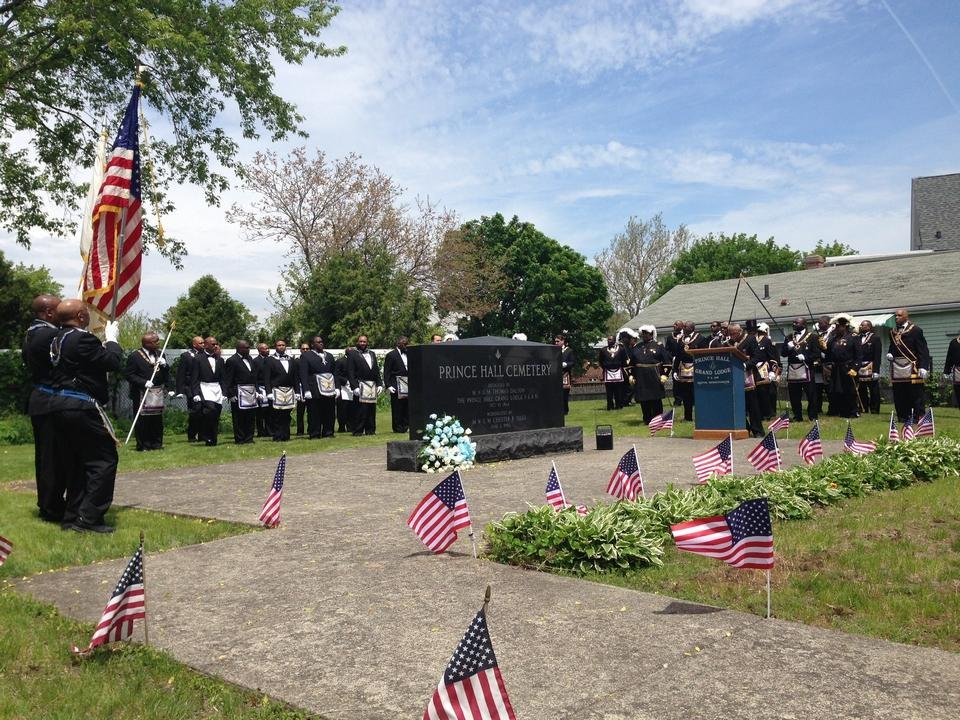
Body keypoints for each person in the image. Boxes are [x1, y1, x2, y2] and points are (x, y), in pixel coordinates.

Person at [48, 300, 122, 533]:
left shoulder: (57, 339)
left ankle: (72, 516)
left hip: (60, 404)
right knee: (103, 461)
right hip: (82, 405)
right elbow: (112, 362)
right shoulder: (82, 338)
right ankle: (90, 517)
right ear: (81, 316)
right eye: (86, 313)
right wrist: (111, 340)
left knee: (76, 463)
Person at [22, 293, 63, 522]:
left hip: (40, 399)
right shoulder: (49, 334)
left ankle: (49, 502)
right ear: (48, 313)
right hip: (49, 401)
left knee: (46, 457)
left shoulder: (31, 332)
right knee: (52, 457)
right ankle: (51, 506)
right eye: (59, 310)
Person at [125, 331, 169, 450]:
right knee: (143, 419)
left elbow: (166, 374)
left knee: (156, 418)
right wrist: (143, 382)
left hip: (157, 391)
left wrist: (165, 365)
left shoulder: (160, 354)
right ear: (147, 343)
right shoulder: (135, 356)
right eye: (156, 341)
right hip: (141, 392)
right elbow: (129, 374)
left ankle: (156, 443)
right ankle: (143, 444)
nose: (159, 343)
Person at [888, 308, 929, 422]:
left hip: (912, 366)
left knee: (915, 393)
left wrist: (923, 366)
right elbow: (893, 347)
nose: (896, 317)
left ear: (906, 316)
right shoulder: (892, 332)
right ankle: (902, 416)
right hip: (898, 367)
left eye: (899, 315)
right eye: (895, 316)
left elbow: (923, 350)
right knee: (899, 393)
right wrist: (890, 353)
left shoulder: (916, 330)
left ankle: (918, 417)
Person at [630, 326, 671, 424]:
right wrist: (631, 375)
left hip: (654, 375)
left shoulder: (658, 345)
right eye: (643, 333)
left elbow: (667, 362)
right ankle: (647, 419)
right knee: (644, 399)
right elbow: (631, 363)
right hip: (641, 376)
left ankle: (658, 419)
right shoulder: (637, 347)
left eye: (646, 333)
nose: (644, 335)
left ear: (651, 334)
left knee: (655, 399)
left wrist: (664, 375)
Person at [728, 322, 764, 437]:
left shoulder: (750, 339)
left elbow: (758, 356)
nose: (732, 336)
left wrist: (746, 365)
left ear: (740, 331)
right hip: (733, 375)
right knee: (738, 404)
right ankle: (744, 428)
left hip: (748, 375)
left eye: (734, 334)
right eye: (730, 334)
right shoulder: (729, 342)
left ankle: (757, 430)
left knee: (753, 405)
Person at [780, 317, 819, 421]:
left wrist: (806, 357)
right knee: (794, 395)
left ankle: (813, 416)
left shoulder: (812, 337)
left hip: (806, 367)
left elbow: (816, 354)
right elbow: (783, 354)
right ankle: (798, 416)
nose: (794, 324)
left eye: (796, 323)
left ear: (803, 324)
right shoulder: (788, 337)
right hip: (793, 368)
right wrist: (788, 347)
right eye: (793, 322)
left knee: (811, 394)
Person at [190, 336, 226, 446]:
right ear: (206, 345)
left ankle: (213, 438)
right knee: (209, 411)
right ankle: (207, 436)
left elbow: (223, 377)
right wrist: (195, 393)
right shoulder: (198, 358)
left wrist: (224, 392)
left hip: (217, 388)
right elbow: (194, 377)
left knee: (216, 413)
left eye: (216, 344)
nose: (215, 346)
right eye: (213, 344)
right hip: (204, 387)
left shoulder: (220, 359)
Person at [299, 335, 337, 438]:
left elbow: (335, 373)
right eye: (318, 342)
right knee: (315, 412)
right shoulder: (306, 356)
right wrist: (306, 390)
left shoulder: (329, 356)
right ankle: (315, 433)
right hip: (314, 388)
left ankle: (328, 432)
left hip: (329, 388)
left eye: (322, 341)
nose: (321, 343)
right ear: (312, 344)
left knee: (329, 411)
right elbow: (303, 374)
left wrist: (337, 388)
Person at [825, 314, 861, 418]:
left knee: (850, 391)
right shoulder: (833, 339)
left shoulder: (853, 337)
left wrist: (855, 368)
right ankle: (840, 410)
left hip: (848, 367)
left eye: (838, 327)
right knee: (837, 390)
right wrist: (824, 347)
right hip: (836, 368)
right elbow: (829, 355)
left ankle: (852, 411)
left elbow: (858, 355)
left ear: (844, 326)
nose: (836, 329)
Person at [347, 334, 383, 435]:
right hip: (360, 384)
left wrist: (379, 384)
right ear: (357, 342)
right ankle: (358, 431)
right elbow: (350, 372)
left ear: (367, 342)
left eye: (364, 341)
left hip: (371, 385)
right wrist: (354, 387)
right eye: (361, 341)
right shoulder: (352, 354)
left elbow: (376, 370)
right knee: (360, 410)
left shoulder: (372, 354)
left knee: (371, 409)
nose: (362, 343)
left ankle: (370, 430)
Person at [224, 340, 259, 444]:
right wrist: (230, 394)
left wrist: (256, 391)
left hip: (251, 391)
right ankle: (240, 438)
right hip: (238, 391)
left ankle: (249, 438)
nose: (248, 350)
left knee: (251, 416)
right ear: (239, 348)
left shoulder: (250, 359)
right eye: (246, 348)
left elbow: (254, 377)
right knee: (239, 417)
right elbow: (228, 379)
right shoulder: (232, 360)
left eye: (249, 348)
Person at [672, 321, 706, 422]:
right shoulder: (680, 339)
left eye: (686, 327)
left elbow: (703, 354)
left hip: (696, 367)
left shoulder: (700, 338)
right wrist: (674, 370)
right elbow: (677, 356)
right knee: (686, 394)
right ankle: (688, 417)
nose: (684, 328)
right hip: (683, 368)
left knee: (696, 393)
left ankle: (700, 416)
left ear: (692, 328)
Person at [264, 339, 297, 441]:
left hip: (289, 390)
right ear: (275, 347)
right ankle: (277, 436)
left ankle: (286, 435)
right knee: (277, 414)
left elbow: (295, 377)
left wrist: (298, 392)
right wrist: (268, 392)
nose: (281, 347)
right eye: (279, 345)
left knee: (287, 414)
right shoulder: (270, 360)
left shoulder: (291, 360)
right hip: (276, 390)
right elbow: (267, 378)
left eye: (283, 345)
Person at [175, 335, 203, 441]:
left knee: (203, 412)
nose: (203, 345)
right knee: (195, 412)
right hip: (191, 388)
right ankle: (192, 435)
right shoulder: (186, 356)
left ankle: (202, 434)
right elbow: (181, 374)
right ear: (194, 344)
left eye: (203, 343)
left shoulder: (205, 355)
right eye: (200, 343)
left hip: (203, 387)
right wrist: (180, 390)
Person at [383, 336, 410, 433]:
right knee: (397, 407)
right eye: (404, 344)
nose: (406, 345)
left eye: (407, 343)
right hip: (396, 384)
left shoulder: (408, 354)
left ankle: (406, 426)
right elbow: (387, 371)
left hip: (407, 383)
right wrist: (388, 385)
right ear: (399, 344)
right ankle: (398, 427)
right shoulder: (391, 355)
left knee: (407, 406)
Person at [857, 320, 883, 414]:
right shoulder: (857, 338)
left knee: (873, 389)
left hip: (870, 365)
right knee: (861, 389)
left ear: (868, 327)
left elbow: (877, 355)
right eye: (861, 325)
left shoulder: (875, 338)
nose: (861, 327)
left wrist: (876, 370)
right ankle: (863, 408)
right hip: (860, 366)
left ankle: (874, 409)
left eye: (863, 325)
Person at [599, 335, 627, 410]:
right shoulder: (603, 350)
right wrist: (605, 367)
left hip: (618, 371)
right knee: (609, 391)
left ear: (614, 340)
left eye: (610, 339)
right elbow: (600, 361)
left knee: (618, 390)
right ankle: (610, 406)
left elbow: (624, 360)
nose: (609, 341)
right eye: (608, 340)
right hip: (608, 372)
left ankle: (619, 405)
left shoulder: (621, 349)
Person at [252, 342, 272, 438]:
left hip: (270, 388)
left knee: (269, 410)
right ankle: (261, 431)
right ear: (260, 350)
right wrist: (257, 390)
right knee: (260, 412)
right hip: (260, 387)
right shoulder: (255, 361)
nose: (268, 350)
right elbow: (254, 377)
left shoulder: (271, 360)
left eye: (268, 348)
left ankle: (269, 430)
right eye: (265, 348)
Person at [335, 349, 354, 434]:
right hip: (343, 388)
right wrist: (345, 381)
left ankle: (350, 426)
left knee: (351, 408)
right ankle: (342, 426)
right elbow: (336, 375)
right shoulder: (340, 361)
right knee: (342, 409)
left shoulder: (355, 361)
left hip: (353, 388)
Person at [555, 334, 575, 415]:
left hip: (565, 374)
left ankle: (565, 410)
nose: (556, 343)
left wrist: (566, 364)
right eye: (555, 341)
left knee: (564, 394)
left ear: (562, 341)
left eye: (558, 341)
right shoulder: (554, 350)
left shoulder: (569, 351)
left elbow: (573, 362)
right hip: (555, 374)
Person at [295, 342, 310, 436]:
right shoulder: (296, 361)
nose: (305, 350)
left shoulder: (312, 360)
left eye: (307, 349)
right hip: (300, 388)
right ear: (300, 350)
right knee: (300, 412)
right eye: (303, 349)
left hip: (310, 388)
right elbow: (295, 376)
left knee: (311, 411)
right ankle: (300, 430)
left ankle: (310, 429)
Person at [944, 333, 960, 408]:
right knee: (958, 391)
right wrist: (947, 371)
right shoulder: (953, 343)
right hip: (957, 371)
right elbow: (949, 358)